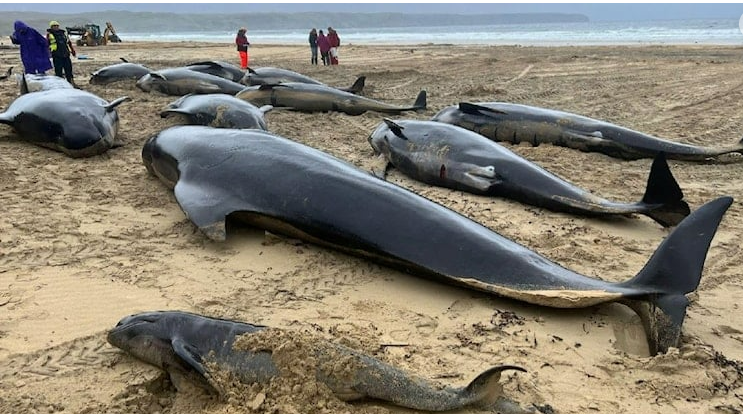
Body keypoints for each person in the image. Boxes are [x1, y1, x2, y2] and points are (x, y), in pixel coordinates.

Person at [46, 20, 76, 85]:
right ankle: (60, 85)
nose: (56, 27)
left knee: (69, 70)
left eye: (57, 26)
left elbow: (69, 43)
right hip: (56, 55)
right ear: (51, 27)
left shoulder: (63, 34)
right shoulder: (49, 35)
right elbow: (46, 45)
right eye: (54, 26)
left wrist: (73, 51)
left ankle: (71, 83)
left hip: (65, 55)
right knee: (58, 72)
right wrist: (48, 54)